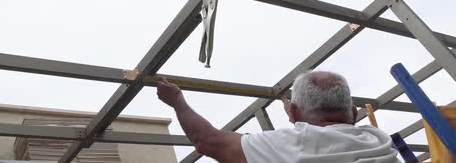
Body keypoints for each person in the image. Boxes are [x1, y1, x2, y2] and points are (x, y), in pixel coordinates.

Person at [156, 71, 400, 163]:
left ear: (293, 112)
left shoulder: (294, 145)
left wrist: (177, 102)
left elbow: (207, 140)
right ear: (354, 114)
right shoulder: (378, 141)